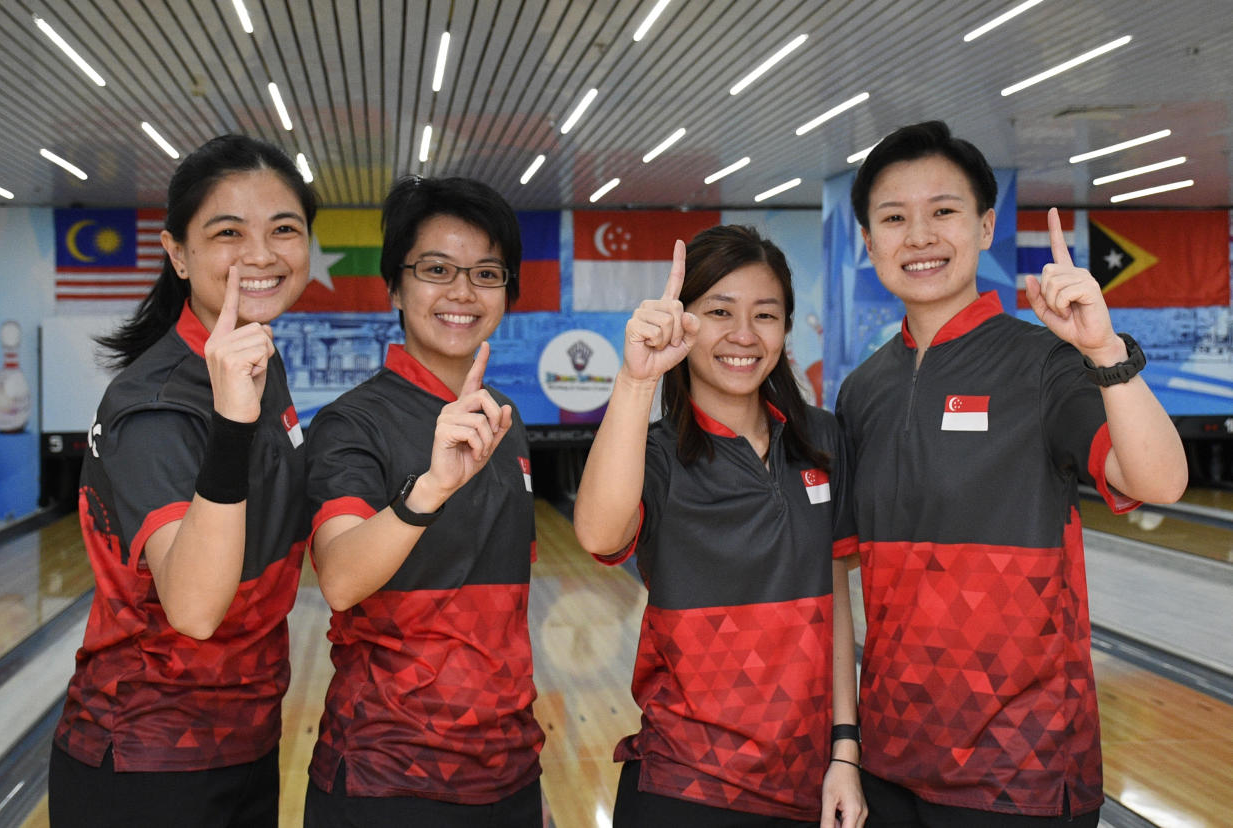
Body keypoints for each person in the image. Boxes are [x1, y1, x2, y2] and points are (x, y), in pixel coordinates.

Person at [836, 120, 1188, 827]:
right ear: (868, 243)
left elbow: (1158, 481)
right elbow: (836, 577)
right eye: (894, 218)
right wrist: (845, 749)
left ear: (985, 225)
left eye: (944, 211)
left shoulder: (1044, 363)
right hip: (891, 759)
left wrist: (1102, 349)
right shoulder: (863, 389)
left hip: (1020, 770)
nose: (920, 236)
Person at [50, 134, 316, 827]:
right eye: (228, 233)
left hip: (242, 742)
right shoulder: (158, 407)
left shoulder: (257, 359)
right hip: (147, 764)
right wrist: (230, 421)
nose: (261, 255)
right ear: (177, 253)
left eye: (283, 229)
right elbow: (195, 608)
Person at [574, 225, 867, 828]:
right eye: (718, 311)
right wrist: (637, 380)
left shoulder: (821, 441)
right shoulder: (653, 456)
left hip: (808, 784)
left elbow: (834, 594)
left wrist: (845, 748)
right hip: (685, 785)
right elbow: (600, 536)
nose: (742, 335)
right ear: (685, 324)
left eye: (765, 314)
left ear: (786, 327)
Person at [302, 176, 544, 827]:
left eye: (486, 273)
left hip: (509, 770)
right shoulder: (351, 424)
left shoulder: (506, 418)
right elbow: (342, 578)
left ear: (508, 293)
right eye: (437, 269)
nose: (462, 292)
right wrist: (430, 489)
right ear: (396, 287)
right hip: (387, 779)